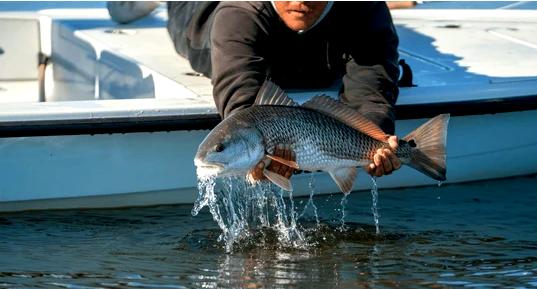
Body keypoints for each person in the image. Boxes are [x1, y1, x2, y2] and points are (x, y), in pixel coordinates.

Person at [109, 1, 402, 179]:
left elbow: (371, 91)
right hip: (202, 16)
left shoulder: (367, 9)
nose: (300, 1)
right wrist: (259, 158)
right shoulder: (237, 14)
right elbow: (243, 108)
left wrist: (374, 144)